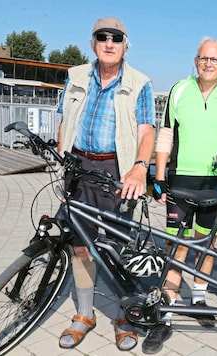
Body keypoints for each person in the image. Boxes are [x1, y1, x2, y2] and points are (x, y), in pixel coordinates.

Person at [56, 16, 155, 352]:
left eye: (116, 38)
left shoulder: (140, 83)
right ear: (93, 43)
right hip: (79, 166)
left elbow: (146, 131)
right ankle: (85, 315)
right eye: (102, 37)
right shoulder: (74, 77)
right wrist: (60, 154)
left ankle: (124, 317)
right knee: (80, 244)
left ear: (126, 45)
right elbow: (64, 119)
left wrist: (140, 168)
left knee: (116, 249)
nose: (109, 43)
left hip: (117, 171)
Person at [149, 36, 217, 354]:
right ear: (196, 61)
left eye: (215, 60)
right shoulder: (179, 90)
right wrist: (159, 177)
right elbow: (165, 135)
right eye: (204, 58)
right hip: (180, 181)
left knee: (206, 243)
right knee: (176, 245)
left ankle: (200, 301)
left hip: (214, 183)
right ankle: (166, 312)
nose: (208, 63)